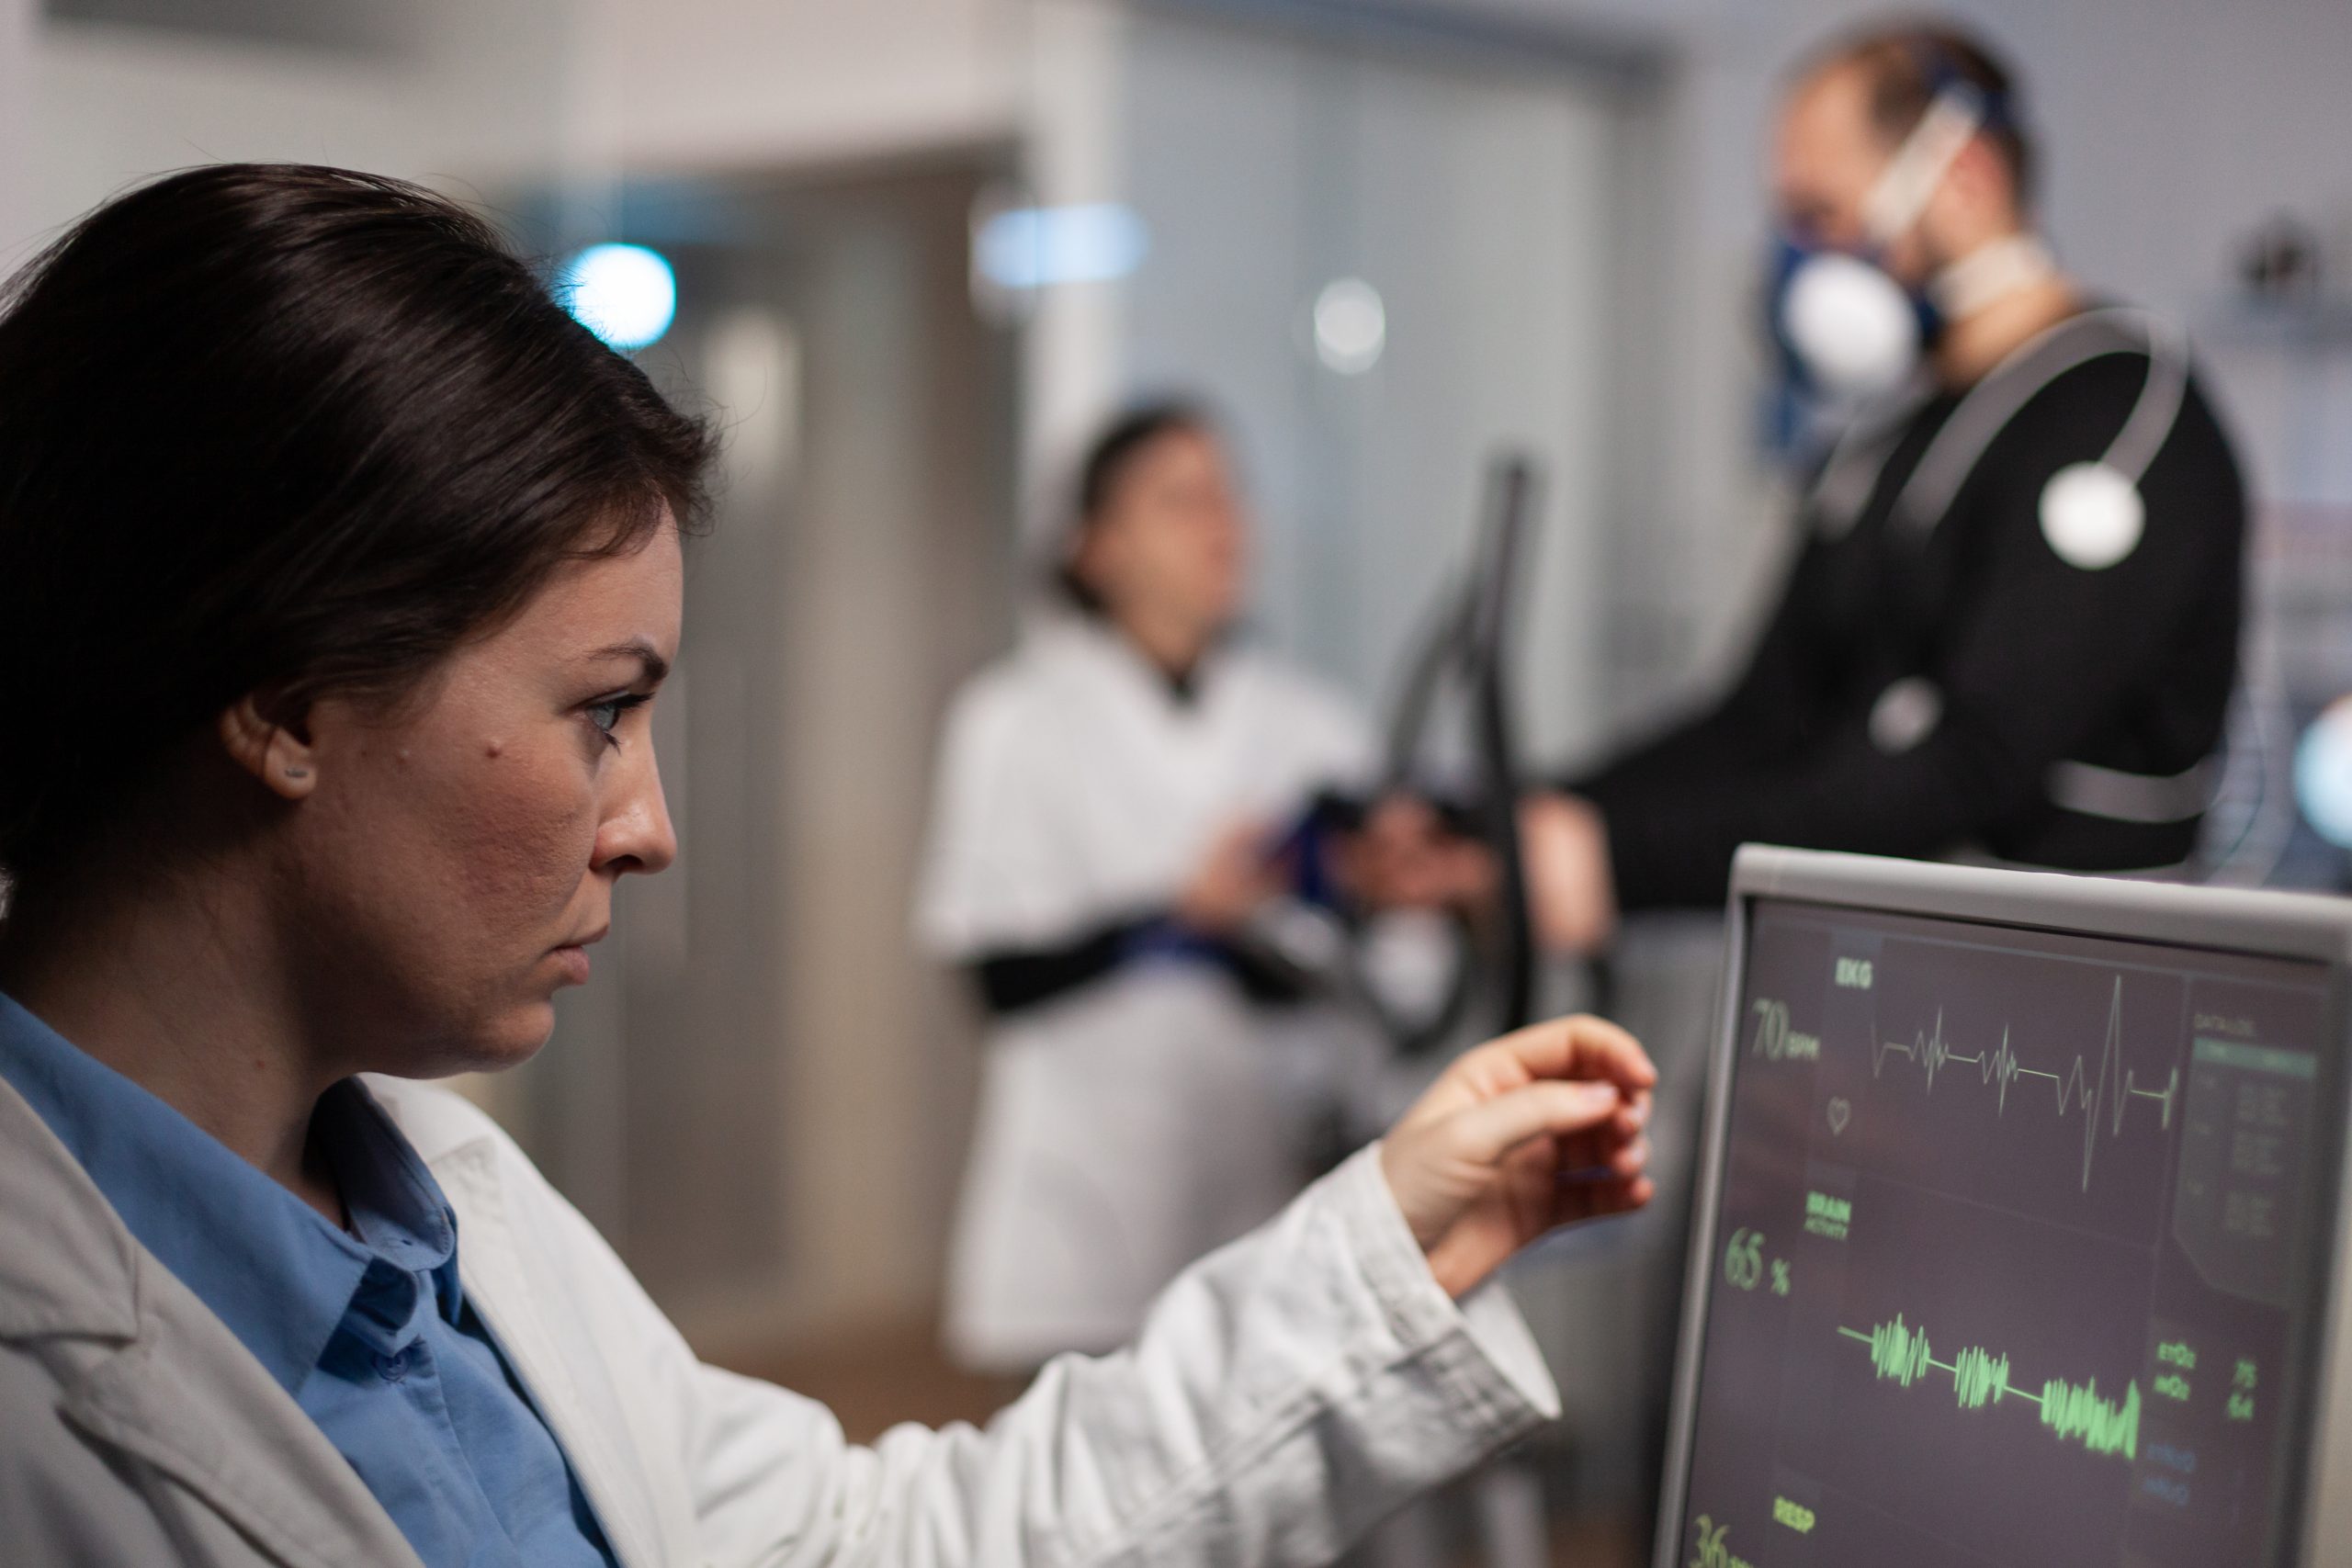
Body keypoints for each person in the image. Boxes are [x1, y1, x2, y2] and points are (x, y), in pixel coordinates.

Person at [0, 164, 1656, 1568]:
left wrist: (1379, 1256)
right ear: (289, 703)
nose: (650, 828)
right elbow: (1004, 961)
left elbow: (859, 1542)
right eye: (602, 713)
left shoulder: (443, 1210)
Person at [1510, 20, 2247, 950]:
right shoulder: (1883, 442)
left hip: (2060, 1000)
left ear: (1964, 176)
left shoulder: (2125, 419)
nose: (1801, 258)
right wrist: (1522, 821)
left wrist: (1615, 860)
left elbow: (1970, 766)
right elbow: (1763, 719)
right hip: (1860, 982)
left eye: (1822, 216)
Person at [917, 406, 1415, 1372]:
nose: (1224, 524)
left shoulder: (1312, 722)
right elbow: (995, 977)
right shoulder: (1013, 721)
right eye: (1182, 500)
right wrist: (1183, 916)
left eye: (1230, 495)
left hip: (1260, 1189)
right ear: (1098, 547)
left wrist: (1356, 892)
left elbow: (1376, 974)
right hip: (1085, 1206)